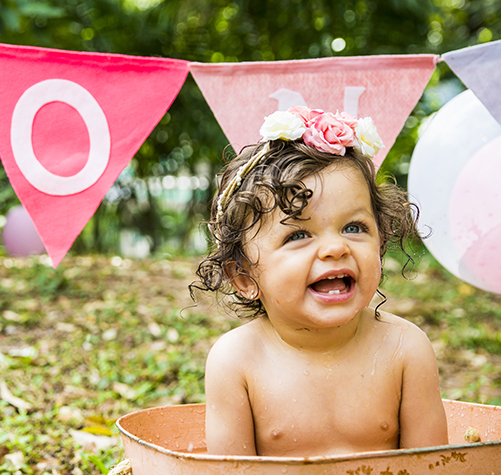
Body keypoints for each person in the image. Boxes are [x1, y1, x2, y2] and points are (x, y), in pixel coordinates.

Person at [192, 106, 449, 457]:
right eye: (298, 235)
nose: (334, 248)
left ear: (381, 242)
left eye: (354, 228)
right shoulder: (237, 361)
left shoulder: (406, 349)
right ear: (243, 276)